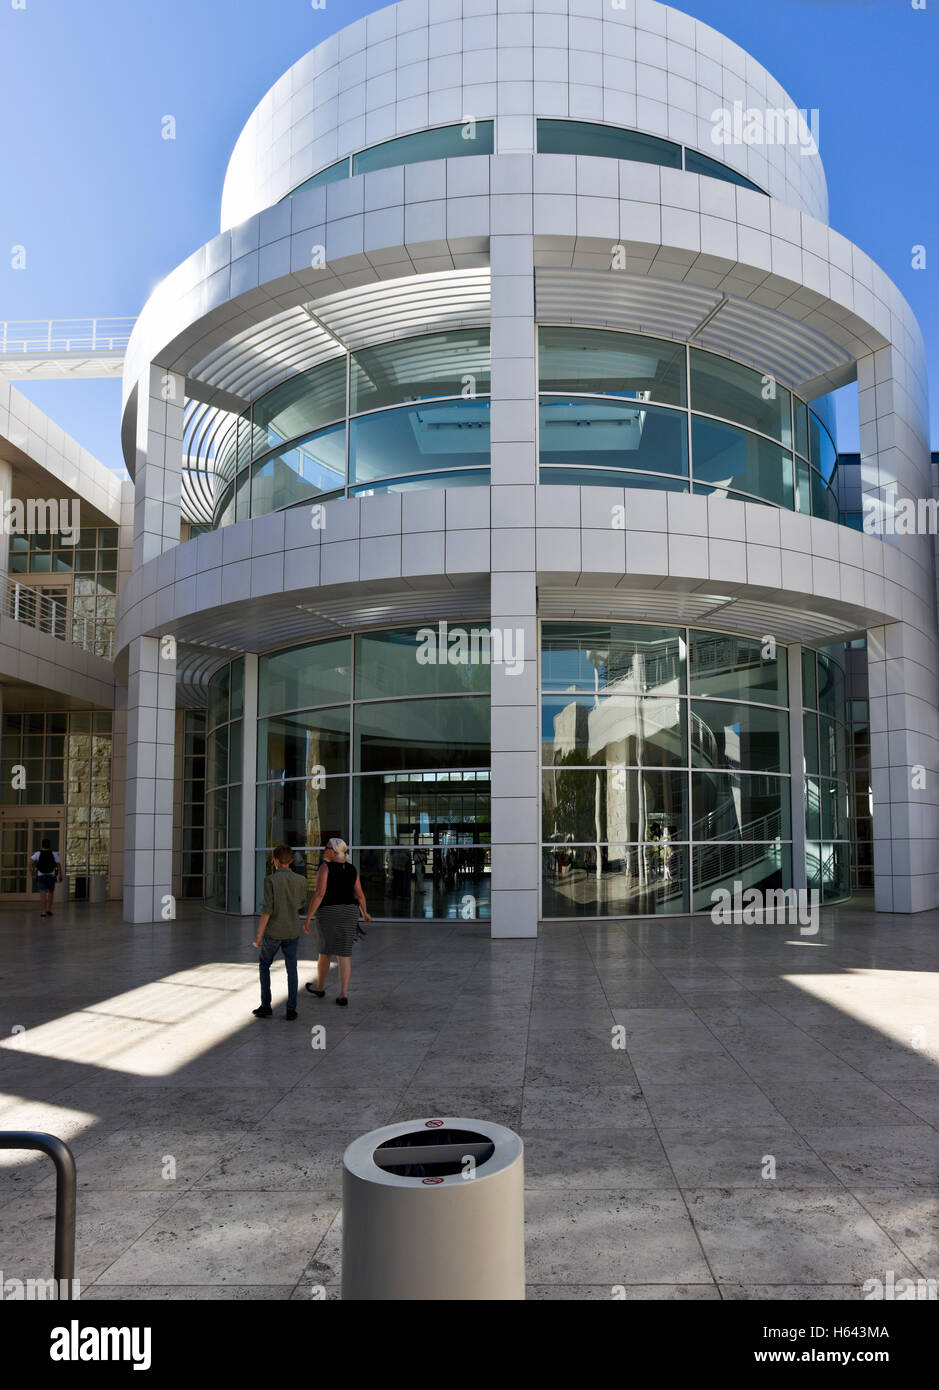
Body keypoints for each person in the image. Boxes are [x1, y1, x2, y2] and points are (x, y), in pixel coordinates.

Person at [302, 838, 370, 1007]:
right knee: (344, 954)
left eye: (326, 848)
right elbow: (360, 894)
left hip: (329, 911)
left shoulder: (325, 867)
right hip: (350, 911)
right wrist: (365, 912)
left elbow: (319, 894)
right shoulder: (352, 868)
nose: (323, 850)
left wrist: (308, 917)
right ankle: (343, 994)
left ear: (333, 851)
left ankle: (319, 987)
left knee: (325, 951)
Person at [252, 844, 308, 1021]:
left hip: (274, 932)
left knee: (264, 964)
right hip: (292, 930)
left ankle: (266, 1005)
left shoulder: (270, 880)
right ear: (291, 861)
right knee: (292, 969)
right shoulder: (301, 880)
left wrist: (259, 935)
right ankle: (291, 1008)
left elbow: (267, 910)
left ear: (275, 860)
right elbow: (300, 904)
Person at [31, 839, 62, 918]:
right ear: (49, 845)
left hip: (41, 875)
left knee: (43, 893)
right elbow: (58, 865)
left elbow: (30, 861)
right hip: (51, 875)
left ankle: (43, 911)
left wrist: (32, 870)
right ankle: (49, 910)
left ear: (42, 845)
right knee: (51, 893)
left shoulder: (38, 853)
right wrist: (60, 875)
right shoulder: (54, 853)